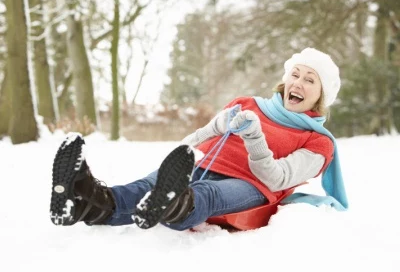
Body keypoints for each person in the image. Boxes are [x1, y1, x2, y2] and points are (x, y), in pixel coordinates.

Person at [49, 47, 348, 231]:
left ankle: (174, 206)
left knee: (206, 193)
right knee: (145, 186)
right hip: (205, 162)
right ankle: (83, 199)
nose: (298, 83)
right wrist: (202, 137)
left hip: (251, 185)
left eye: (310, 80)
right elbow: (200, 137)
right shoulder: (247, 103)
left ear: (321, 96)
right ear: (285, 79)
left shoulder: (318, 143)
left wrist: (255, 138)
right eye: (295, 74)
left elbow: (277, 178)